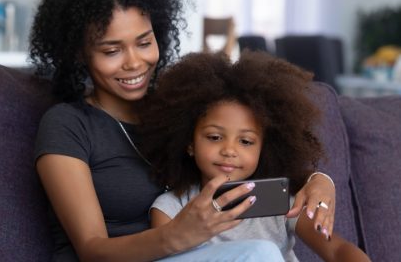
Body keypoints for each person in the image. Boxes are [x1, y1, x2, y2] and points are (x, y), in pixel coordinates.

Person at [30, 0, 336, 261]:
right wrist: (177, 235)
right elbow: (91, 250)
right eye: (112, 50)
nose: (134, 62)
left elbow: (245, 150)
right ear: (79, 53)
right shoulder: (67, 125)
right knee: (260, 254)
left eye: (144, 42)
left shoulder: (177, 110)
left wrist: (318, 180)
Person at [139, 51, 370, 262]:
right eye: (214, 137)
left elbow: (336, 249)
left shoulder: (281, 203)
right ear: (189, 143)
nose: (229, 150)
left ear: (264, 149)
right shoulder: (170, 208)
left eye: (246, 141)